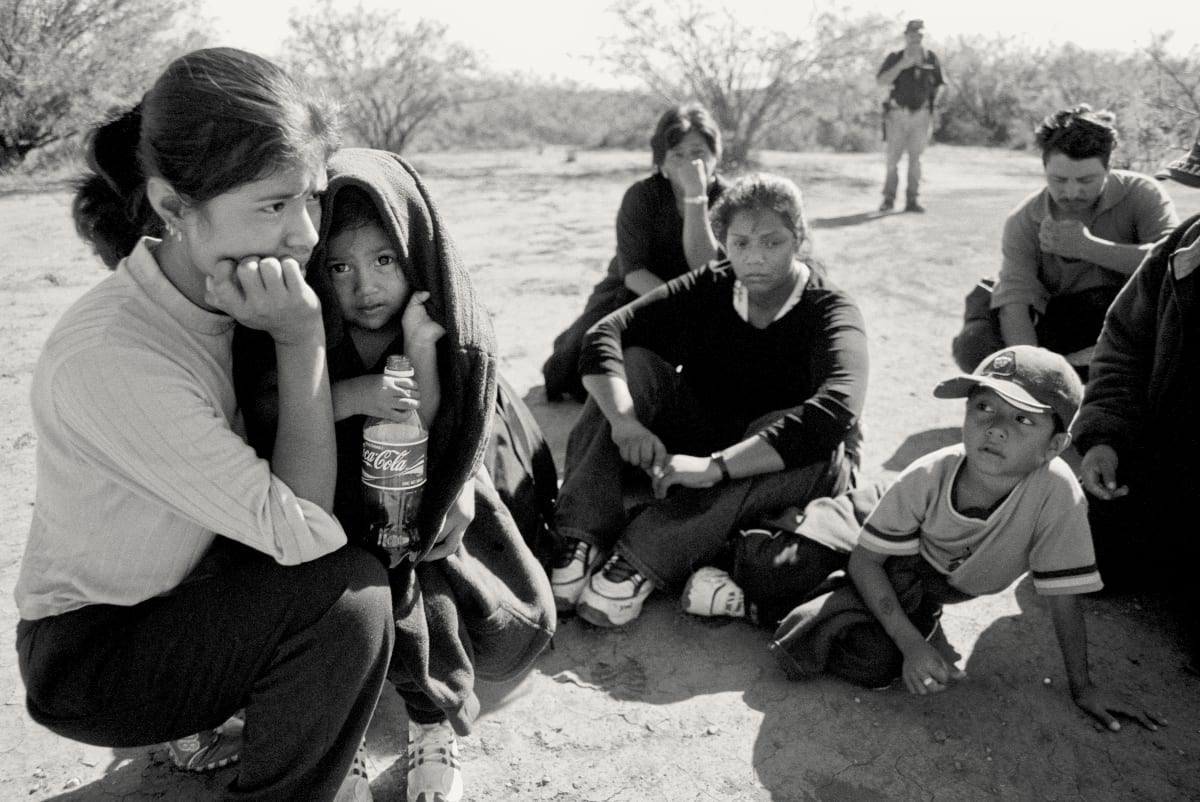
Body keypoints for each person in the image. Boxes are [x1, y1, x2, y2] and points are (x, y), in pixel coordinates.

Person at [14, 48, 393, 802]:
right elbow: (304, 532)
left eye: (311, 198)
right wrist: (299, 339)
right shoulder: (116, 356)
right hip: (94, 655)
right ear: (173, 205)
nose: (307, 236)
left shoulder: (223, 292)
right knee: (348, 599)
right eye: (273, 205)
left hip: (183, 592)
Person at [235, 148, 557, 802]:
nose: (366, 287)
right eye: (341, 267)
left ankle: (429, 719)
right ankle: (342, 735)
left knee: (422, 580)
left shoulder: (440, 320)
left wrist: (420, 349)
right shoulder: (304, 326)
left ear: (414, 249)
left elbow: (437, 430)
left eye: (385, 260)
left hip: (417, 500)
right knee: (329, 599)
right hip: (321, 505)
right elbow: (267, 408)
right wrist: (352, 395)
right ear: (314, 269)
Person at [761, 346, 1164, 733]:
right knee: (774, 565)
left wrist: (1083, 688)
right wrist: (913, 643)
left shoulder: (1057, 495)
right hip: (870, 520)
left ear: (1054, 446)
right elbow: (866, 561)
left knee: (873, 660)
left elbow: (1063, 597)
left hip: (918, 575)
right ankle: (764, 578)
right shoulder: (928, 473)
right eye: (984, 407)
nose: (996, 429)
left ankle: (821, 603)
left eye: (1024, 420)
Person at [549, 173, 867, 628]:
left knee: (819, 445)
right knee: (635, 365)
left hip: (773, 463)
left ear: (799, 238)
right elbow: (606, 334)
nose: (754, 257)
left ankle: (641, 558)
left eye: (772, 242)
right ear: (722, 241)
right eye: (739, 243)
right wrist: (627, 423)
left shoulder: (829, 308)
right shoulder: (712, 284)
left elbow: (837, 407)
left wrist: (716, 467)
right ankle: (579, 534)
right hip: (702, 437)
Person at [1071, 133, 1200, 669]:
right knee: (1082, 561)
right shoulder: (1184, 248)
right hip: (1168, 466)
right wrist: (1104, 438)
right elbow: (1123, 345)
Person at [951, 106, 1178, 376]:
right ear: (1044, 167)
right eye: (1058, 180)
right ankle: (1058, 378)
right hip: (1061, 322)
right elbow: (1016, 303)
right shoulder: (1024, 220)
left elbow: (1173, 265)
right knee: (976, 340)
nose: (1071, 192)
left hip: (1130, 321)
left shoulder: (1143, 193)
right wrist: (1033, 373)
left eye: (1086, 180)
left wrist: (1087, 247)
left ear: (1109, 168)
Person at [542, 103, 727, 401]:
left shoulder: (730, 201)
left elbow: (707, 268)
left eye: (698, 153)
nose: (689, 164)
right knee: (575, 367)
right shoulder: (642, 196)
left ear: (716, 156)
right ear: (662, 162)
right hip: (635, 294)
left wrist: (697, 198)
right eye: (677, 155)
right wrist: (681, 308)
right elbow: (634, 274)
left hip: (704, 299)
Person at [876, 19, 944, 213]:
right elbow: (881, 81)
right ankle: (888, 200)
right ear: (906, 36)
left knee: (916, 160)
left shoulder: (931, 57)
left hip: (921, 116)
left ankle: (912, 201)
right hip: (897, 114)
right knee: (892, 160)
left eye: (920, 35)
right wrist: (902, 65)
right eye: (913, 35)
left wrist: (931, 106)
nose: (916, 38)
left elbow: (940, 84)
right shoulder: (895, 57)